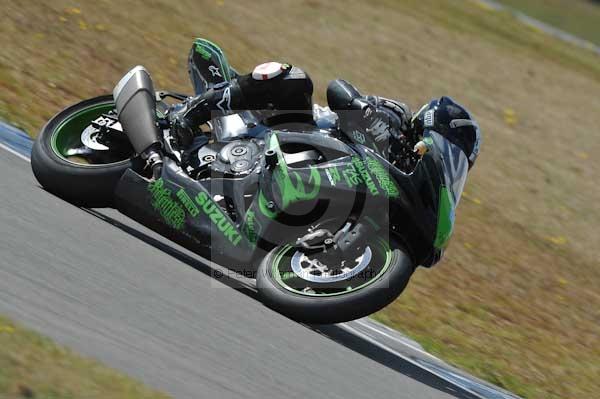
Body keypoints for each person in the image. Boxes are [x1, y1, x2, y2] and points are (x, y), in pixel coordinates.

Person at [163, 38, 480, 177]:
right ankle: (192, 113)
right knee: (296, 79)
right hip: (295, 132)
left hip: (308, 177)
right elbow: (339, 92)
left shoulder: (410, 182)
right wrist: (381, 131)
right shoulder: (396, 115)